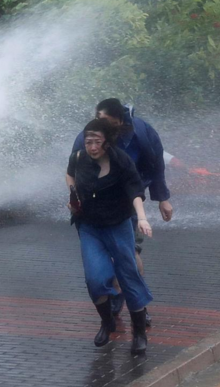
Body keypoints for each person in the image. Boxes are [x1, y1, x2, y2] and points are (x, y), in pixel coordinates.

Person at [72, 98, 172, 324]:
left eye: (105, 122)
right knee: (101, 259)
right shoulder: (88, 137)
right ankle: (115, 296)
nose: (99, 127)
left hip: (127, 203)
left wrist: (162, 198)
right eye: (97, 120)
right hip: (95, 211)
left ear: (119, 121)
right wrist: (76, 199)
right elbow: (74, 168)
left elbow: (156, 164)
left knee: (129, 254)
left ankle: (137, 303)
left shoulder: (141, 133)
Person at [66, 118, 153, 354]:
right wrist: (73, 196)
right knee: (95, 279)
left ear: (107, 142)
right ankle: (107, 322)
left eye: (97, 142)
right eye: (88, 142)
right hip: (89, 227)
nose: (92, 147)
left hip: (118, 225)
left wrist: (142, 218)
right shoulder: (78, 158)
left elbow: (135, 191)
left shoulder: (121, 161)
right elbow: (70, 175)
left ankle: (139, 333)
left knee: (128, 275)